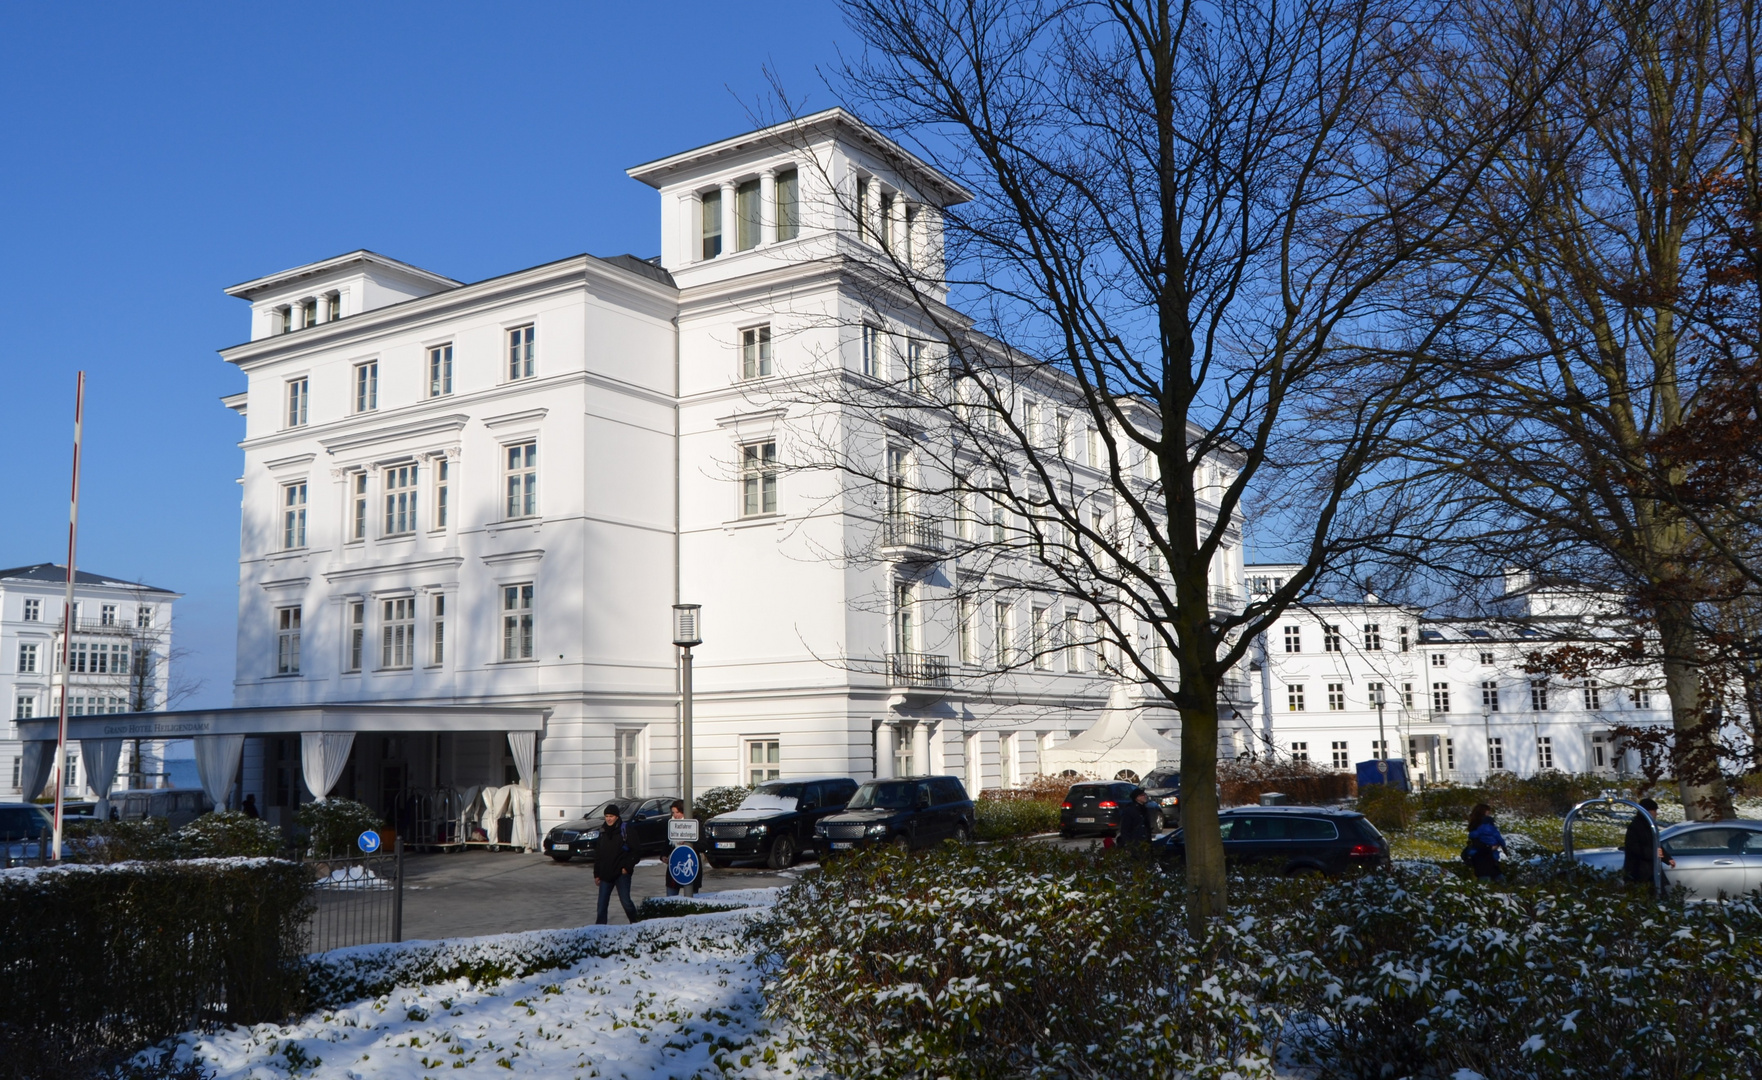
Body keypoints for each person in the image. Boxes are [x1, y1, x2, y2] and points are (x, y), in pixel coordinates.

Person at [593, 804, 640, 925]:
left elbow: (636, 851)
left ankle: (637, 924)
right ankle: (599, 930)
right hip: (605, 874)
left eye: (611, 816)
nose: (608, 819)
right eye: (606, 816)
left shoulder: (626, 830)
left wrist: (627, 868)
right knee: (601, 905)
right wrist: (597, 874)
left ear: (617, 817)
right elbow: (598, 854)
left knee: (626, 902)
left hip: (621, 874)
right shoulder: (602, 831)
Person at [1622, 798, 1675, 885]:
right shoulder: (1635, 827)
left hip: (1650, 870)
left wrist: (1667, 858)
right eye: (1654, 810)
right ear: (1647, 811)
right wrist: (1653, 854)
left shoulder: (1650, 826)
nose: (1656, 814)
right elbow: (1634, 847)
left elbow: (1656, 844)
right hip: (1639, 871)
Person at [1465, 803, 1506, 880]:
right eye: (1488, 811)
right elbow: (1496, 836)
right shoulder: (1486, 825)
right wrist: (1492, 847)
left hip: (1483, 856)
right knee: (1492, 878)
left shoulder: (1475, 825)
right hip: (1485, 857)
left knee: (1491, 877)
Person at [666, 800, 688, 897]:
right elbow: (667, 843)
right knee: (671, 896)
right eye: (673, 812)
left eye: (677, 812)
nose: (675, 815)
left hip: (688, 863)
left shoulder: (693, 824)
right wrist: (663, 855)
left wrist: (687, 842)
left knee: (691, 895)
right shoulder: (671, 823)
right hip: (674, 864)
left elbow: (702, 845)